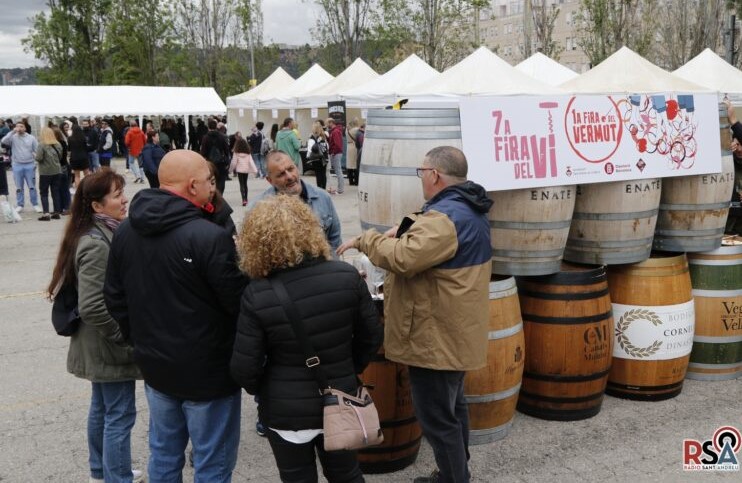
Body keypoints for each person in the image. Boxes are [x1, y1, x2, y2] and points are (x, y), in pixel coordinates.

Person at [337, 146, 493, 483]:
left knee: (437, 419)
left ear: (434, 175)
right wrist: (409, 226)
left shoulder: (445, 220)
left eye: (421, 172)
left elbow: (402, 258)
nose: (421, 178)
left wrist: (367, 239)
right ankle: (455, 471)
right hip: (456, 333)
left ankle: (454, 479)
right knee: (453, 409)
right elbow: (433, 238)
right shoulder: (467, 207)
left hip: (436, 340)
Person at [104, 150, 247, 482]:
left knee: (164, 456)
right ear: (193, 185)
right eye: (209, 181)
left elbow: (114, 297)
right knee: (212, 464)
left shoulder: (126, 230)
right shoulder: (209, 238)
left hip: (157, 368)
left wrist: (141, 340)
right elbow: (238, 303)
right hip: (208, 375)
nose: (213, 187)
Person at [230, 195, 382, 483]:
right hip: (341, 400)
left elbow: (244, 368)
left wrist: (269, 388)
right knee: (347, 476)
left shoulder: (257, 294)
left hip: (286, 412)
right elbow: (372, 337)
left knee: (297, 478)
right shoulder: (346, 276)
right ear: (310, 229)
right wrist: (347, 369)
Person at [48, 170, 142, 483]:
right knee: (120, 414)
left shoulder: (101, 232)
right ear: (97, 206)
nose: (125, 200)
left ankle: (102, 472)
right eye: (117, 195)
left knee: (103, 408)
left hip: (99, 344)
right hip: (106, 346)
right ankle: (117, 477)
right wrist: (124, 337)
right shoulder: (96, 243)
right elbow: (91, 306)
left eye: (123, 192)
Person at [248, 150, 342, 252]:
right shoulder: (257, 209)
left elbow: (335, 243)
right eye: (281, 174)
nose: (289, 176)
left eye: (290, 169)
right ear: (270, 180)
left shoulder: (323, 198)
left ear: (296, 167)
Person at [1, 121, 40, 213]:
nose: (19, 128)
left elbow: (37, 150)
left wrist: (35, 163)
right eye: (17, 126)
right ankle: (20, 204)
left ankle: (35, 204)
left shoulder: (31, 138)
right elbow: (3, 141)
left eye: (21, 126)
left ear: (25, 128)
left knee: (32, 186)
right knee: (19, 187)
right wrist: (12, 131)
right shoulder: (13, 137)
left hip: (29, 164)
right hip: (17, 165)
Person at [35, 127, 64, 221]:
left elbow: (39, 158)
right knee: (55, 191)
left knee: (44, 192)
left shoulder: (41, 145)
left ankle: (46, 213)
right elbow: (60, 157)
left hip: (45, 172)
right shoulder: (58, 144)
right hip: (57, 170)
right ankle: (56, 212)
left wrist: (34, 155)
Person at [725, 99, 742, 234]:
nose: (739, 149)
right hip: (727, 218)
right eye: (737, 145)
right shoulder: (728, 159)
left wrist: (734, 121)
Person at [200, 119, 231, 194]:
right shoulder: (221, 136)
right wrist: (227, 161)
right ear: (216, 127)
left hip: (210, 162)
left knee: (212, 179)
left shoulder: (205, 138)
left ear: (208, 127)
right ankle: (220, 194)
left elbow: (203, 151)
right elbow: (226, 149)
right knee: (221, 180)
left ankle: (213, 194)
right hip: (221, 161)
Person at [230, 137, 257, 206]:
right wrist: (255, 170)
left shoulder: (236, 153)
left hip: (239, 170)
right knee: (245, 184)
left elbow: (233, 162)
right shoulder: (248, 153)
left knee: (241, 184)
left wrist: (230, 170)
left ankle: (243, 200)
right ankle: (246, 199)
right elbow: (251, 161)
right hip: (246, 170)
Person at [306, 121, 329, 190]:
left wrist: (308, 156)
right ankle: (324, 189)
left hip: (316, 159)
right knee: (323, 174)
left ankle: (319, 189)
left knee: (318, 174)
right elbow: (327, 147)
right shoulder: (324, 137)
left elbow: (310, 150)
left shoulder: (312, 138)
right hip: (324, 158)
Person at [68, 124, 90, 191]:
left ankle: (78, 190)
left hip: (74, 158)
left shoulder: (70, 138)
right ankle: (88, 188)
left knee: (77, 176)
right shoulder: (83, 138)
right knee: (86, 174)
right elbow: (86, 148)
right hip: (84, 157)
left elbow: (69, 149)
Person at [326, 118, 344, 194]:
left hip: (336, 153)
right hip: (336, 153)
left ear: (331, 123)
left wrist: (333, 152)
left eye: (327, 123)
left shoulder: (335, 131)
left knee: (338, 171)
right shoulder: (334, 131)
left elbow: (337, 144)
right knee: (338, 171)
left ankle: (340, 189)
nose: (327, 125)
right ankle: (340, 189)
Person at [346, 119, 360, 186]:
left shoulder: (347, 130)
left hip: (348, 146)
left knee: (349, 164)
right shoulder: (356, 130)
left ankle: (351, 181)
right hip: (354, 146)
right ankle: (356, 181)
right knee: (355, 164)